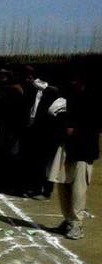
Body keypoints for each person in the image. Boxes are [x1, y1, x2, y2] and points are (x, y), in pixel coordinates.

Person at [48, 71, 99, 240]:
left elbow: (91, 125)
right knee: (62, 184)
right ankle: (68, 219)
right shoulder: (69, 98)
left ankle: (77, 224)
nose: (72, 82)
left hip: (83, 150)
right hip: (67, 147)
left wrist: (72, 126)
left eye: (75, 79)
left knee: (78, 188)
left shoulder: (92, 100)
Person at [21, 66, 57, 199]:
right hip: (34, 128)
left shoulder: (52, 90)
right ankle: (34, 188)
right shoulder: (33, 91)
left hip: (47, 131)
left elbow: (54, 91)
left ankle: (46, 191)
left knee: (46, 162)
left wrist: (42, 87)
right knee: (34, 160)